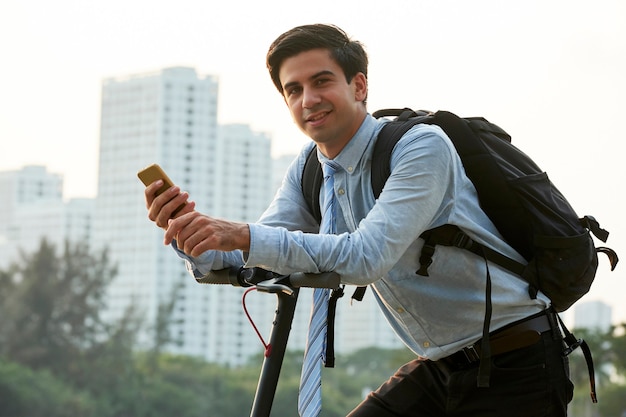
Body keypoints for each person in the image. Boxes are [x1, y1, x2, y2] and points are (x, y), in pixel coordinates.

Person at [145, 24, 574, 417]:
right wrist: (194, 236)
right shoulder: (309, 168)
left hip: (519, 362)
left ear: (359, 84)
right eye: (293, 90)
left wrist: (240, 234)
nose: (307, 99)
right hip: (440, 367)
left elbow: (366, 256)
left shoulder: (419, 147)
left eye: (321, 81)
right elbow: (261, 254)